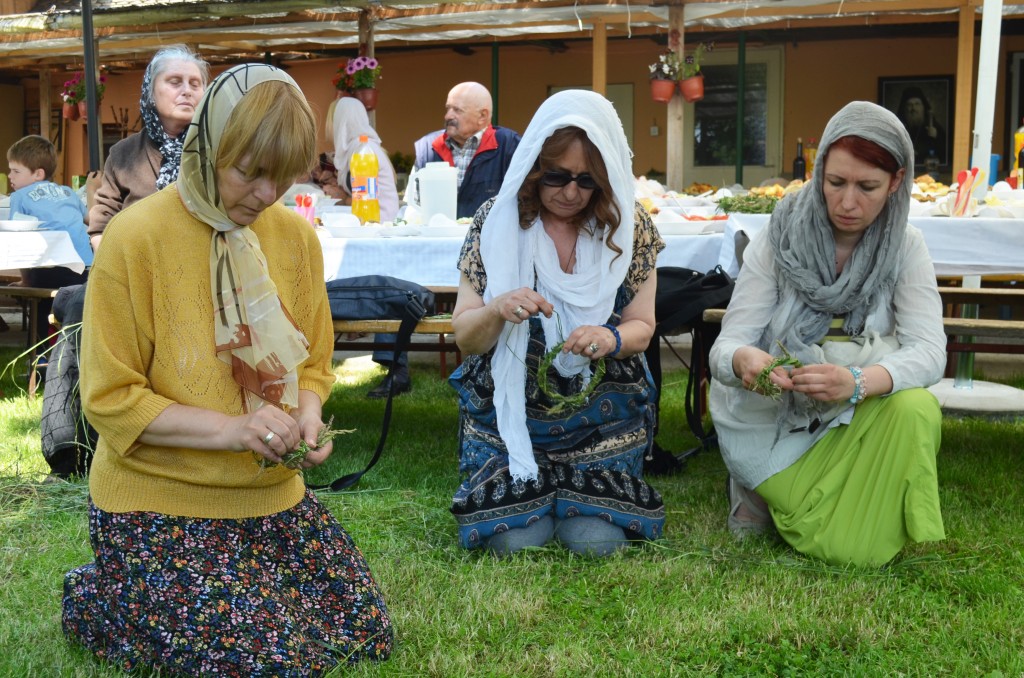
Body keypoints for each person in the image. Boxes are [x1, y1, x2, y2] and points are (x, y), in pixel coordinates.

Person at [63, 64, 393, 673]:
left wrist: (308, 417)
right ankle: (101, 596)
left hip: (267, 494)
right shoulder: (136, 238)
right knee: (271, 662)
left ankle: (138, 598)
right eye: (249, 171)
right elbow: (109, 398)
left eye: (282, 175)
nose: (266, 194)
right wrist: (232, 430)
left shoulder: (295, 237)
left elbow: (314, 363)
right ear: (210, 143)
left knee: (363, 634)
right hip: (158, 500)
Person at [708, 100, 947, 568]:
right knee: (842, 543)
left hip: (856, 412)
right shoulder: (778, 238)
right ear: (818, 172)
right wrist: (744, 361)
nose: (848, 202)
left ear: (896, 182)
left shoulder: (905, 246)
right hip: (775, 423)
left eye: (867, 187)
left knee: (916, 408)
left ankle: (784, 501)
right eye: (835, 182)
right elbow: (727, 347)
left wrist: (856, 382)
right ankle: (763, 487)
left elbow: (930, 351)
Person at [448, 90, 666, 557]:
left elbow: (642, 327)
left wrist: (610, 337)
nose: (570, 193)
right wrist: (496, 308)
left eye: (587, 181)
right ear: (533, 167)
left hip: (603, 424)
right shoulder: (495, 221)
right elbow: (465, 335)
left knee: (595, 541)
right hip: (508, 423)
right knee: (515, 539)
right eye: (556, 176)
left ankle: (578, 493)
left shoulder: (630, 226)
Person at [87, 44, 209, 250]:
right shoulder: (123, 154)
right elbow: (101, 226)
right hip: (138, 264)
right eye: (175, 82)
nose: (187, 91)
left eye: (195, 84)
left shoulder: (218, 149)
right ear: (151, 92)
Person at [6, 134, 93, 344]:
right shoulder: (68, 192)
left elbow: (18, 241)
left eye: (16, 171)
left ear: (38, 174)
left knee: (41, 306)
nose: (10, 176)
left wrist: (26, 280)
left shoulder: (19, 197)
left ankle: (40, 353)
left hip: (49, 269)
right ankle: (72, 349)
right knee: (73, 312)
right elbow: (91, 221)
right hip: (83, 270)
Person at [413, 81, 521, 219]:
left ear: (482, 116)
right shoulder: (428, 147)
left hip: (490, 233)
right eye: (448, 109)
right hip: (439, 233)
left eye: (457, 110)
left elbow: (524, 201)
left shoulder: (509, 145)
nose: (448, 116)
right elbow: (414, 206)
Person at [332, 96, 400, 221]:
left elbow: (365, 198)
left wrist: (344, 198)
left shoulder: (363, 149)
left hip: (379, 223)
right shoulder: (360, 146)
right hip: (372, 220)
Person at [895, 86, 946, 168]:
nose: (913, 108)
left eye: (917, 104)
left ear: (923, 107)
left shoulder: (932, 125)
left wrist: (937, 136)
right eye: (909, 105)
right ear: (904, 108)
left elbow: (945, 151)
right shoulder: (898, 127)